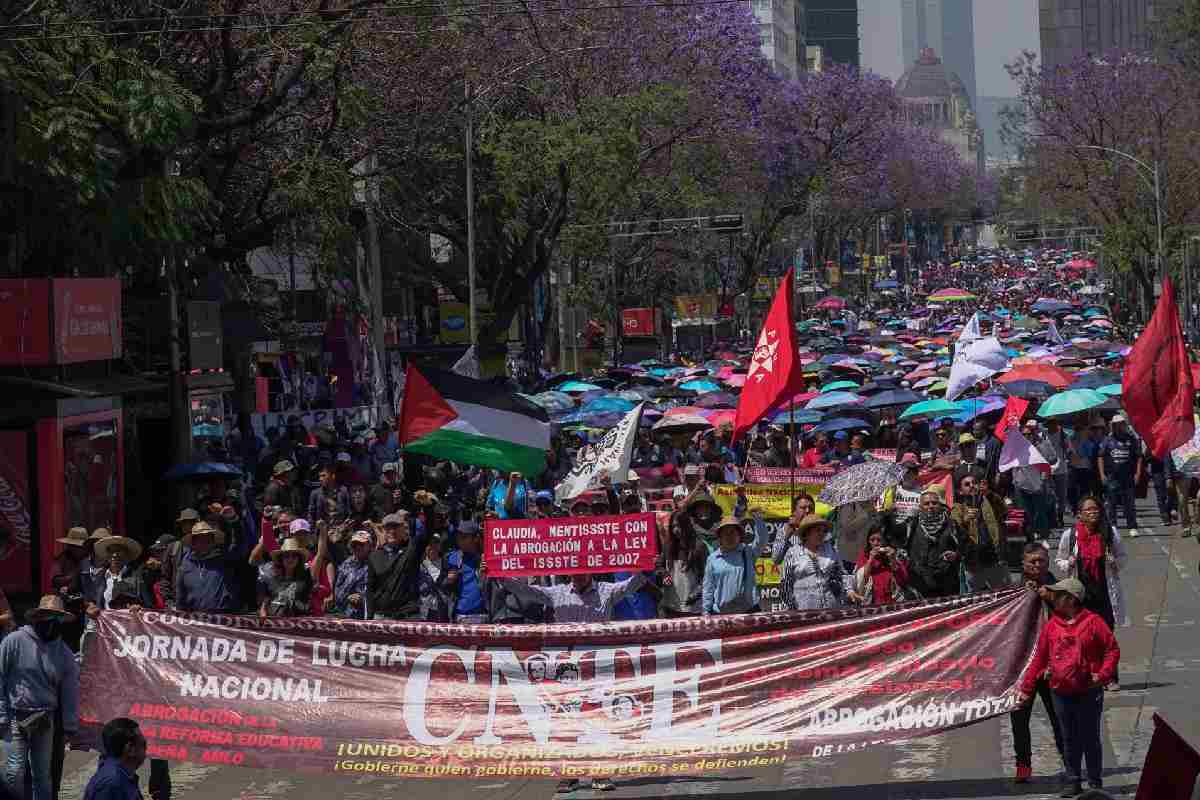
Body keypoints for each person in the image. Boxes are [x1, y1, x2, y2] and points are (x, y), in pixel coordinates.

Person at [1018, 577, 1120, 797]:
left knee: (1090, 737)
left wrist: (1102, 675)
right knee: (1069, 738)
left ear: (1071, 599)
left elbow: (1112, 649)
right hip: (1060, 691)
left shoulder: (1094, 622)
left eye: (1058, 594)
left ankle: (1094, 783)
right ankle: (1073, 780)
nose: (1053, 598)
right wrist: (1027, 687)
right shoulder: (1051, 626)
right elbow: (1039, 658)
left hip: (1088, 690)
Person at [0, 595, 80, 800]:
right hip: (14, 716)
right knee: (14, 771)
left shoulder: (64, 653)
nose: (51, 622)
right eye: (47, 616)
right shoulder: (14, 641)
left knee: (42, 776)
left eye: (56, 618)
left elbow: (70, 691)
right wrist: (1, 715)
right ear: (37, 617)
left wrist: (70, 726)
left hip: (45, 719)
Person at [1010, 543, 1066, 785]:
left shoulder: (1059, 588)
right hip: (1023, 665)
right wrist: (1024, 592)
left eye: (1041, 561)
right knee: (1019, 718)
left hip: (1052, 664)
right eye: (1032, 561)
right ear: (1023, 563)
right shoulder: (1013, 588)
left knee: (1060, 717)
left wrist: (1048, 596)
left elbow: (1072, 615)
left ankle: (1070, 763)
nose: (1036, 565)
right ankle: (1023, 764)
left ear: (1048, 562)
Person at [1056, 496, 1129, 635]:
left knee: (1105, 632)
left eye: (1095, 509)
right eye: (1088, 509)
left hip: (1105, 593)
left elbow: (1123, 557)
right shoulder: (1070, 535)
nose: (1093, 512)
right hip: (1081, 595)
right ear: (1079, 514)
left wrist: (1114, 562)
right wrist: (1069, 563)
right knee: (1083, 633)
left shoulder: (1110, 532)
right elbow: (1060, 559)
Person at [952, 473, 1010, 592]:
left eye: (974, 482)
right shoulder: (958, 508)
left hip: (994, 557)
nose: (972, 486)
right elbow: (953, 530)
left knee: (1001, 593)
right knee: (976, 596)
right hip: (973, 561)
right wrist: (965, 520)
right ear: (960, 491)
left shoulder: (989, 501)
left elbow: (1003, 510)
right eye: (967, 484)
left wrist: (989, 493)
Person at [174, 520, 248, 613]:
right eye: (200, 539)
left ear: (213, 541)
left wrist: (234, 521)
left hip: (224, 617)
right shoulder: (185, 566)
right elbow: (180, 597)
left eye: (208, 539)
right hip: (196, 619)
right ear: (193, 542)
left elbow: (238, 544)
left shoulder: (224, 559)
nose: (204, 542)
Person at [368, 511, 431, 619]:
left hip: (408, 618)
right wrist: (369, 618)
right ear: (383, 531)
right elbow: (370, 589)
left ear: (403, 530)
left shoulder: (411, 550)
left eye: (396, 527)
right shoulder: (374, 556)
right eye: (388, 527)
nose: (392, 531)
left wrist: (428, 508)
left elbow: (427, 532)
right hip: (381, 617)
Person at [904, 486, 961, 598]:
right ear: (920, 507)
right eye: (926, 503)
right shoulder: (911, 524)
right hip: (920, 582)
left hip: (947, 581)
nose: (930, 506)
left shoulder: (952, 524)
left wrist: (956, 555)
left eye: (934, 503)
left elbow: (965, 547)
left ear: (940, 505)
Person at [702, 516, 766, 615]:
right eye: (725, 533)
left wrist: (758, 518)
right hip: (721, 614)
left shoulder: (748, 552)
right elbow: (708, 588)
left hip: (749, 612)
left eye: (733, 532)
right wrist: (706, 612)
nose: (729, 536)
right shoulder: (713, 559)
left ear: (739, 536)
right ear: (720, 537)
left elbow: (762, 540)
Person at [780, 515, 846, 610]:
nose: (822, 534)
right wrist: (793, 608)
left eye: (824, 531)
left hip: (830, 609)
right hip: (803, 611)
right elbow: (785, 584)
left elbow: (842, 574)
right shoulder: (793, 552)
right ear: (807, 532)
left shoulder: (831, 550)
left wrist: (849, 591)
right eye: (818, 530)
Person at [1097, 415, 1141, 537]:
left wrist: (1137, 473)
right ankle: (1112, 527)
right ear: (1113, 426)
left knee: (1129, 502)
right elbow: (1100, 456)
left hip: (1127, 476)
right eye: (1116, 424)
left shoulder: (1131, 439)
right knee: (1111, 503)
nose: (1118, 426)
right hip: (1112, 477)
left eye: (1121, 424)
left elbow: (1138, 457)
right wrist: (1102, 474)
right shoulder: (1107, 440)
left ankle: (1132, 526)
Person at [83, 717, 147, 800]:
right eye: (143, 744)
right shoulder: (112, 783)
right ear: (130, 749)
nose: (146, 749)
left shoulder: (122, 775)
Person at [659, 510, 707, 617]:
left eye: (679, 526)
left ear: (686, 525)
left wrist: (694, 596)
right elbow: (659, 566)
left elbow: (707, 577)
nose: (676, 530)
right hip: (671, 607)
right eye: (673, 526)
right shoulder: (668, 547)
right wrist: (664, 574)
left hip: (693, 609)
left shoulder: (699, 547)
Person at [852, 525, 911, 605]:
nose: (875, 543)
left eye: (879, 540)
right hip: (872, 603)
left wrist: (893, 559)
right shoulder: (864, 555)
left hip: (892, 603)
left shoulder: (895, 553)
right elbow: (861, 580)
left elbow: (903, 580)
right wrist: (871, 560)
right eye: (872, 540)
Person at [440, 521, 486, 623]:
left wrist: (486, 574)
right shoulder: (452, 558)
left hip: (483, 616)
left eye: (464, 537)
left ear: (476, 538)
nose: (460, 540)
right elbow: (441, 586)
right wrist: (449, 580)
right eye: (458, 536)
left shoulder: (486, 558)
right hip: (459, 615)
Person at [258, 539, 315, 618]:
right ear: (281, 559)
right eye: (287, 556)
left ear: (299, 559)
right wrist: (263, 612)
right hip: (274, 623)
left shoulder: (306, 578)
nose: (290, 559)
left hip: (298, 623)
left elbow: (309, 602)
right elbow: (265, 602)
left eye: (294, 556)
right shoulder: (272, 578)